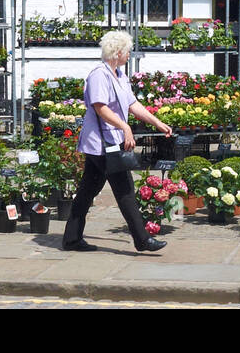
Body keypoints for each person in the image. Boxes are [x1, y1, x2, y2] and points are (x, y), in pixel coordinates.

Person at [62, 30, 173, 253]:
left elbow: (132, 105)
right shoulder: (99, 76)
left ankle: (71, 239)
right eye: (128, 51)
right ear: (118, 51)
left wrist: (157, 123)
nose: (129, 55)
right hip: (100, 143)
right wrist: (125, 127)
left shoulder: (120, 76)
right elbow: (100, 107)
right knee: (125, 189)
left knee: (87, 190)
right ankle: (142, 240)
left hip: (108, 142)